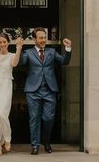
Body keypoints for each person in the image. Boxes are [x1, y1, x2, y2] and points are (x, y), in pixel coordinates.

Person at [19, 27, 71, 155]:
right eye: (41, 38)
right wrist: (19, 48)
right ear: (34, 39)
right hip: (32, 90)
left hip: (49, 89)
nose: (43, 40)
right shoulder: (28, 52)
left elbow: (64, 61)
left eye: (44, 38)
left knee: (48, 118)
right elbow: (21, 61)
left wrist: (68, 48)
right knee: (34, 118)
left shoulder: (52, 52)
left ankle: (46, 141)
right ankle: (35, 145)